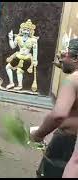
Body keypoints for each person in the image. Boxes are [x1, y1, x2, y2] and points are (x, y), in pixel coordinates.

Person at [30, 39, 78, 178]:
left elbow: (58, 115)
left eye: (66, 54)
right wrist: (65, 67)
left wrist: (39, 133)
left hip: (67, 143)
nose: (62, 57)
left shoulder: (72, 81)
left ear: (75, 58)